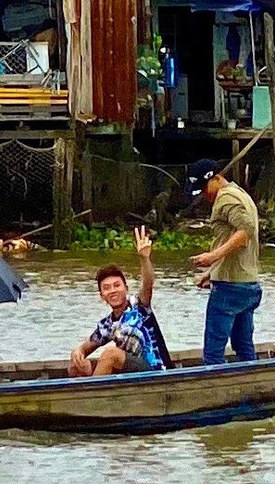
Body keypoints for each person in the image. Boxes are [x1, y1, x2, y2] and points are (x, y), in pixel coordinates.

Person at [186, 158, 262, 365]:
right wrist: (212, 272)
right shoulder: (240, 194)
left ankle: (212, 391)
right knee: (243, 345)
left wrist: (213, 257)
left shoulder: (226, 199)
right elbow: (238, 237)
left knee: (213, 352)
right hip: (247, 283)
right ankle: (254, 382)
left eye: (204, 189)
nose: (204, 195)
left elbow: (244, 232)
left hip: (229, 288)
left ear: (216, 178)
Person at [68, 227, 171, 377]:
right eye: (107, 288)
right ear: (102, 296)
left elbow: (148, 283)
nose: (113, 291)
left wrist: (144, 258)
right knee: (76, 365)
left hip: (154, 370)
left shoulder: (139, 305)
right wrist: (77, 353)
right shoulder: (107, 325)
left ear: (126, 288)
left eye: (117, 285)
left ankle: (93, 396)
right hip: (129, 372)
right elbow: (85, 347)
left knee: (110, 355)